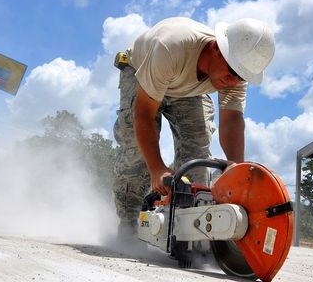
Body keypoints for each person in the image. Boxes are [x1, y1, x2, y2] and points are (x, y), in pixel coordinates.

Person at [112, 17, 276, 241]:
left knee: (197, 150)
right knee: (138, 150)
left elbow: (232, 120)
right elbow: (143, 114)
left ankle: (186, 230)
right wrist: (157, 168)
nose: (234, 81)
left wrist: (236, 170)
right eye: (232, 72)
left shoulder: (236, 72)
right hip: (143, 71)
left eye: (241, 76)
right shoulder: (171, 47)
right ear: (217, 48)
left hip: (187, 87)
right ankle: (129, 225)